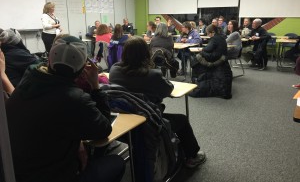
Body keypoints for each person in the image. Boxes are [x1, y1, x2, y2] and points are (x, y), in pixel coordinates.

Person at [5, 36, 125, 182]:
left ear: (49, 61)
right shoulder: (75, 98)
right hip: (53, 175)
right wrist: (95, 86)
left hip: (16, 173)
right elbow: (104, 129)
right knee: (116, 162)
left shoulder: (28, 80)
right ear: (82, 68)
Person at [109, 36, 206, 168]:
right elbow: (168, 89)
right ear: (146, 54)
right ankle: (192, 156)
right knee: (182, 120)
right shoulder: (151, 75)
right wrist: (153, 69)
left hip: (122, 125)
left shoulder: (114, 70)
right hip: (148, 124)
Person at [190, 24, 232, 99]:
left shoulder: (214, 39)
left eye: (208, 33)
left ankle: (197, 82)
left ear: (212, 32)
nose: (207, 35)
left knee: (195, 60)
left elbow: (206, 50)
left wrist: (202, 51)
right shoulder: (221, 37)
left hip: (214, 59)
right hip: (221, 60)